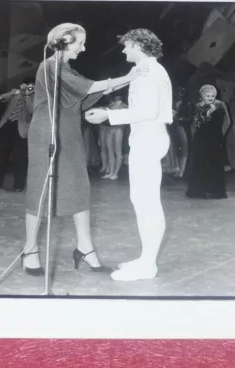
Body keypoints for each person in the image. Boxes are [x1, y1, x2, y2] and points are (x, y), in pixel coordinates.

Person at [21, 23, 144, 276]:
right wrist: (129, 77)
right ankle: (30, 249)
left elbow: (83, 94)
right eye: (80, 43)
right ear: (64, 41)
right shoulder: (51, 66)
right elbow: (87, 88)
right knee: (40, 189)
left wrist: (117, 84)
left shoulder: (66, 68)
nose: (83, 48)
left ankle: (85, 247)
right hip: (48, 134)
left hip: (69, 132)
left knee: (79, 186)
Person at [86, 28, 172, 281]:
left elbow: (147, 111)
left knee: (147, 203)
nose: (123, 50)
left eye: (126, 46)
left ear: (137, 45)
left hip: (148, 138)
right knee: (142, 201)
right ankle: (147, 258)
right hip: (146, 138)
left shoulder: (149, 72)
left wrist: (108, 115)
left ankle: (148, 265)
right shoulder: (148, 71)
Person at [0, 78, 35, 192]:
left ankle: (18, 185)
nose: (29, 88)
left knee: (19, 158)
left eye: (32, 86)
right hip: (5, 125)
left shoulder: (35, 96)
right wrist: (17, 92)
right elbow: (2, 98)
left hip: (21, 129)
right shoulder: (15, 92)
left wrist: (28, 96)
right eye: (27, 85)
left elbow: (31, 110)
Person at [185, 85, 228, 199]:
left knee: (213, 163)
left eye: (212, 96)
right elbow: (196, 124)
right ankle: (198, 190)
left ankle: (214, 190)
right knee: (200, 163)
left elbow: (218, 125)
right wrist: (206, 113)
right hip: (201, 139)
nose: (210, 97)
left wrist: (211, 112)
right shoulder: (197, 108)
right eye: (208, 95)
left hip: (214, 139)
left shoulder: (219, 108)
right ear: (202, 96)